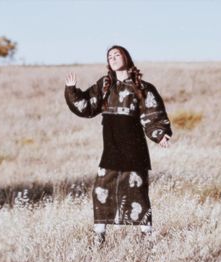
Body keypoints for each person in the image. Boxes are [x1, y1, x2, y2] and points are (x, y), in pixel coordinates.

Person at [64, 45, 172, 247]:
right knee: (101, 190)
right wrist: (72, 91)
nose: (113, 58)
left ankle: (146, 237)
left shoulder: (142, 87)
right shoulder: (105, 85)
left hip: (134, 147)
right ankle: (99, 238)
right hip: (111, 147)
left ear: (126, 57)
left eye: (117, 54)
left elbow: (153, 113)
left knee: (137, 191)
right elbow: (87, 106)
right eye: (109, 56)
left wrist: (160, 134)